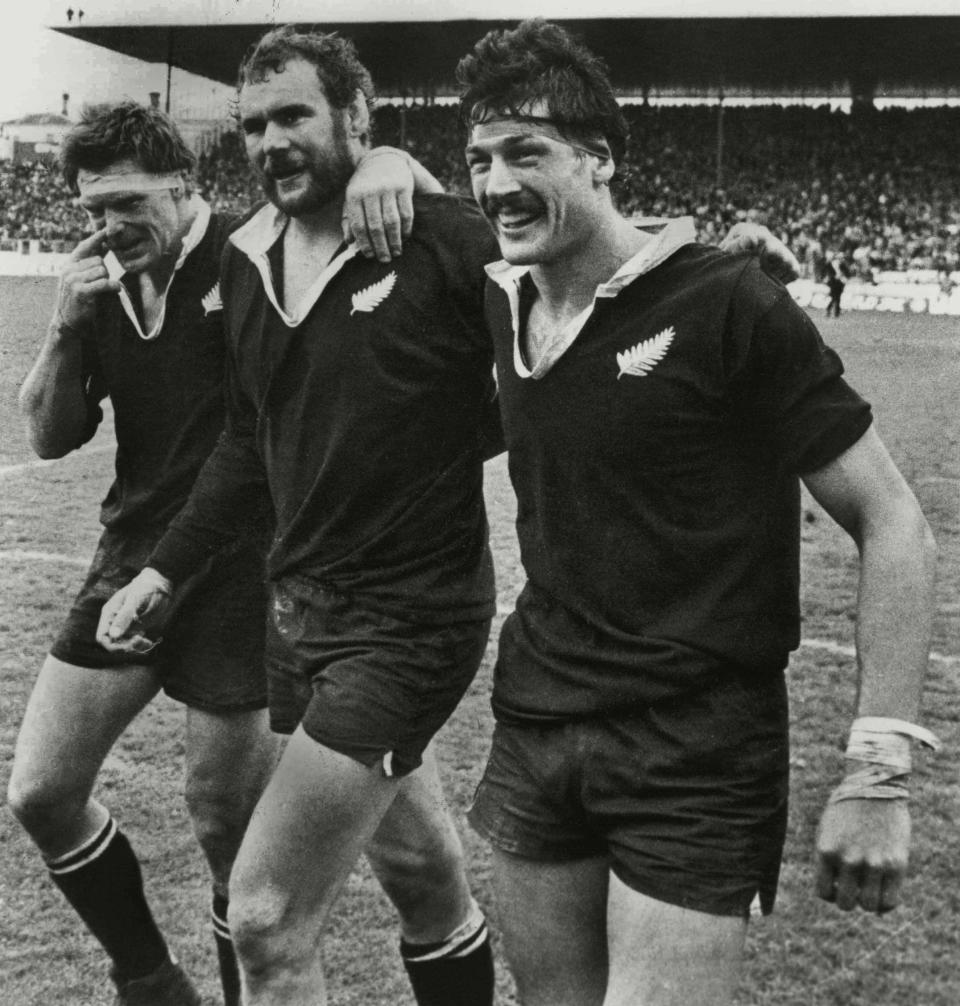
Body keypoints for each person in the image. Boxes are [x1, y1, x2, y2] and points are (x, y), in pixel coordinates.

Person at [456, 19, 938, 1006]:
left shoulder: (731, 306)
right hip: (537, 724)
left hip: (693, 744)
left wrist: (879, 768)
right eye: (477, 158)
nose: (495, 182)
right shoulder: (501, 306)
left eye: (525, 151)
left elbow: (893, 522)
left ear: (601, 157)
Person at [6, 99, 480, 1006]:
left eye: (126, 202)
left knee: (230, 828)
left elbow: (369, 232)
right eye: (92, 208)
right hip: (133, 557)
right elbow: (50, 436)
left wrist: (388, 158)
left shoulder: (251, 255)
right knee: (39, 791)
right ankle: (149, 977)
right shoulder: (99, 282)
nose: (108, 225)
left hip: (252, 566)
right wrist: (66, 325)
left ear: (184, 184)